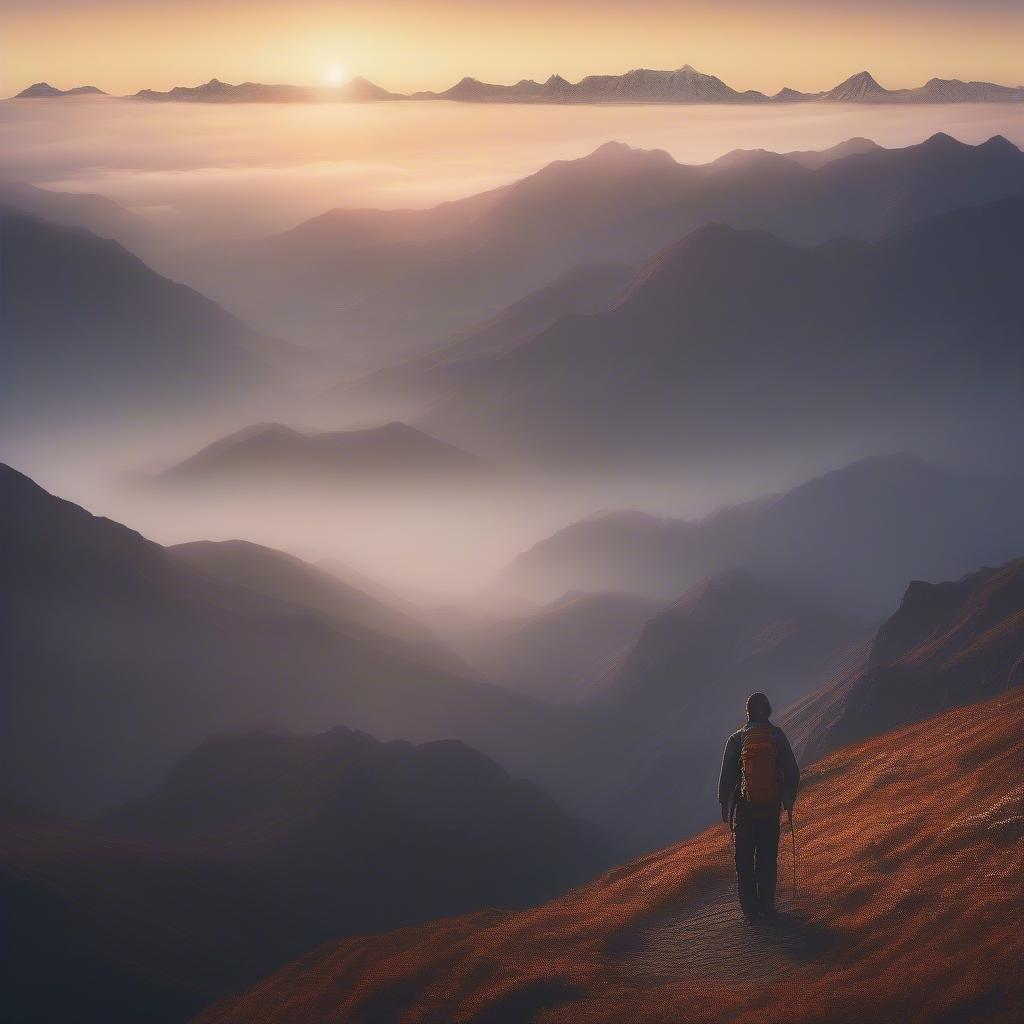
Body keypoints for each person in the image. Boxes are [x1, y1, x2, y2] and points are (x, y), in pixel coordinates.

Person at [717, 692, 800, 923]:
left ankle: (751, 912)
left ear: (748, 712)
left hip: (745, 809)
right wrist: (787, 799)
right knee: (767, 857)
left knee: (744, 860)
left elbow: (727, 777)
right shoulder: (777, 736)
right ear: (768, 710)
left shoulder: (736, 739)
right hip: (770, 808)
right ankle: (767, 907)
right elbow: (792, 771)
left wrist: (726, 805)